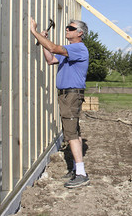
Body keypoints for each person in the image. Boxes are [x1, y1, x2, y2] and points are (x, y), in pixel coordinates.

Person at [30, 17, 90, 189]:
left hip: (71, 95)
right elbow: (50, 59)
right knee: (73, 131)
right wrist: (44, 42)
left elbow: (53, 47)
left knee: (70, 134)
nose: (66, 30)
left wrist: (35, 32)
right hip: (66, 95)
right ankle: (76, 169)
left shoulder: (78, 48)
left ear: (80, 33)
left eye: (70, 28)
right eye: (66, 27)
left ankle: (81, 174)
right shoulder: (68, 51)